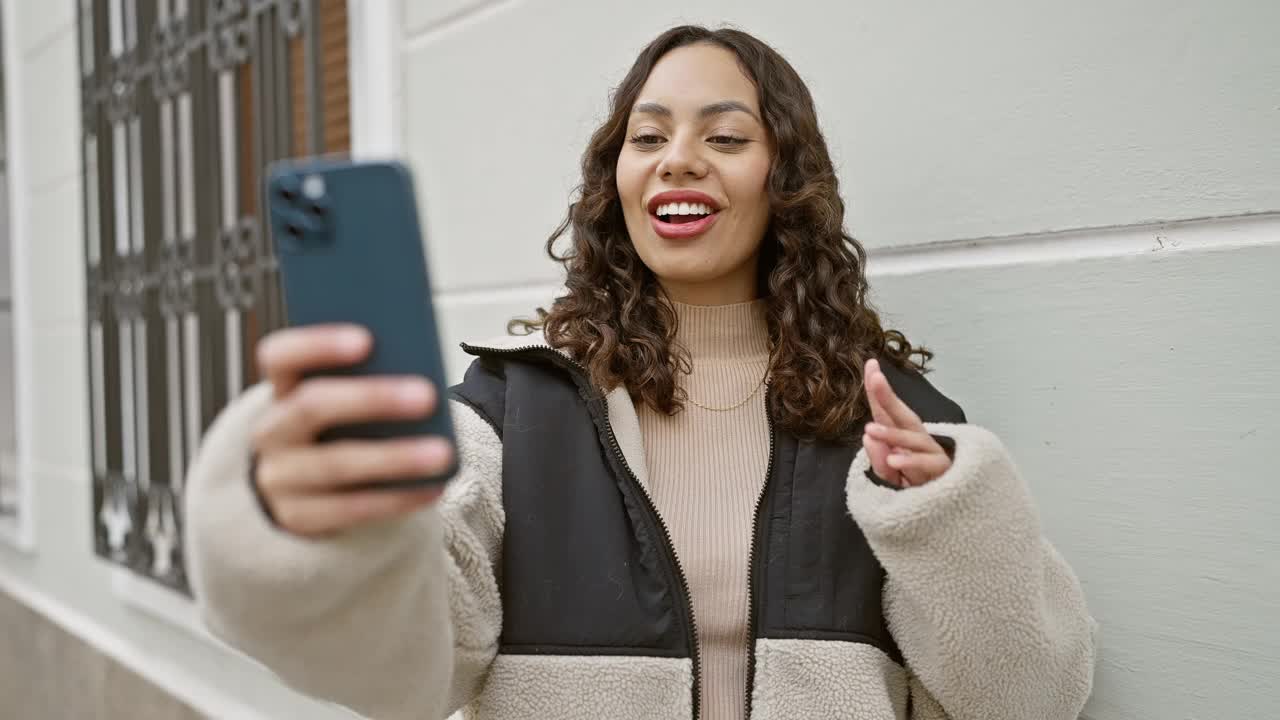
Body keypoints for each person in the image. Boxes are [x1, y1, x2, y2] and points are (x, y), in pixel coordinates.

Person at [184, 25, 1097, 720]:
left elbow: (1030, 697)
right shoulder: (513, 414)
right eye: (647, 136)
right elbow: (409, 673)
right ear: (616, 177)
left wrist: (943, 521)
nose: (677, 159)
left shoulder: (889, 425)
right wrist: (311, 537)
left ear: (788, 180)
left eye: (726, 138)